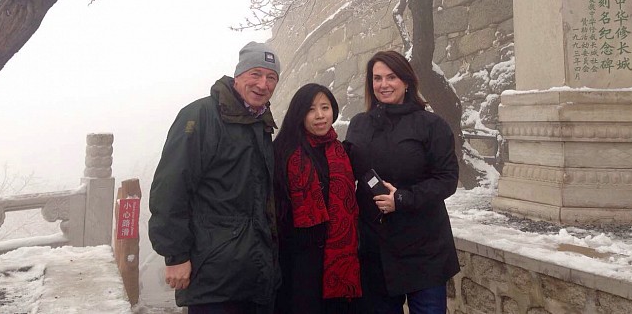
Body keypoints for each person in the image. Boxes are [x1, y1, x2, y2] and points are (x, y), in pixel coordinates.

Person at [148, 41, 282, 314]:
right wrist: (176, 255)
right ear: (238, 76)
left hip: (253, 271)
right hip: (213, 272)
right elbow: (171, 188)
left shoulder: (259, 123)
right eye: (255, 74)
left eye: (271, 77)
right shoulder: (201, 116)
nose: (263, 84)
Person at [344, 51, 460, 314]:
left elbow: (447, 179)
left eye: (391, 77)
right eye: (377, 78)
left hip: (423, 247)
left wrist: (404, 198)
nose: (383, 84)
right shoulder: (359, 125)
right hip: (376, 248)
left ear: (407, 81)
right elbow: (345, 169)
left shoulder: (431, 125)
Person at [273, 83, 361, 314]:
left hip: (338, 258)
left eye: (325, 107)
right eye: (311, 109)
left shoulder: (342, 152)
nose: (320, 116)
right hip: (296, 263)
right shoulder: (282, 152)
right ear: (299, 114)